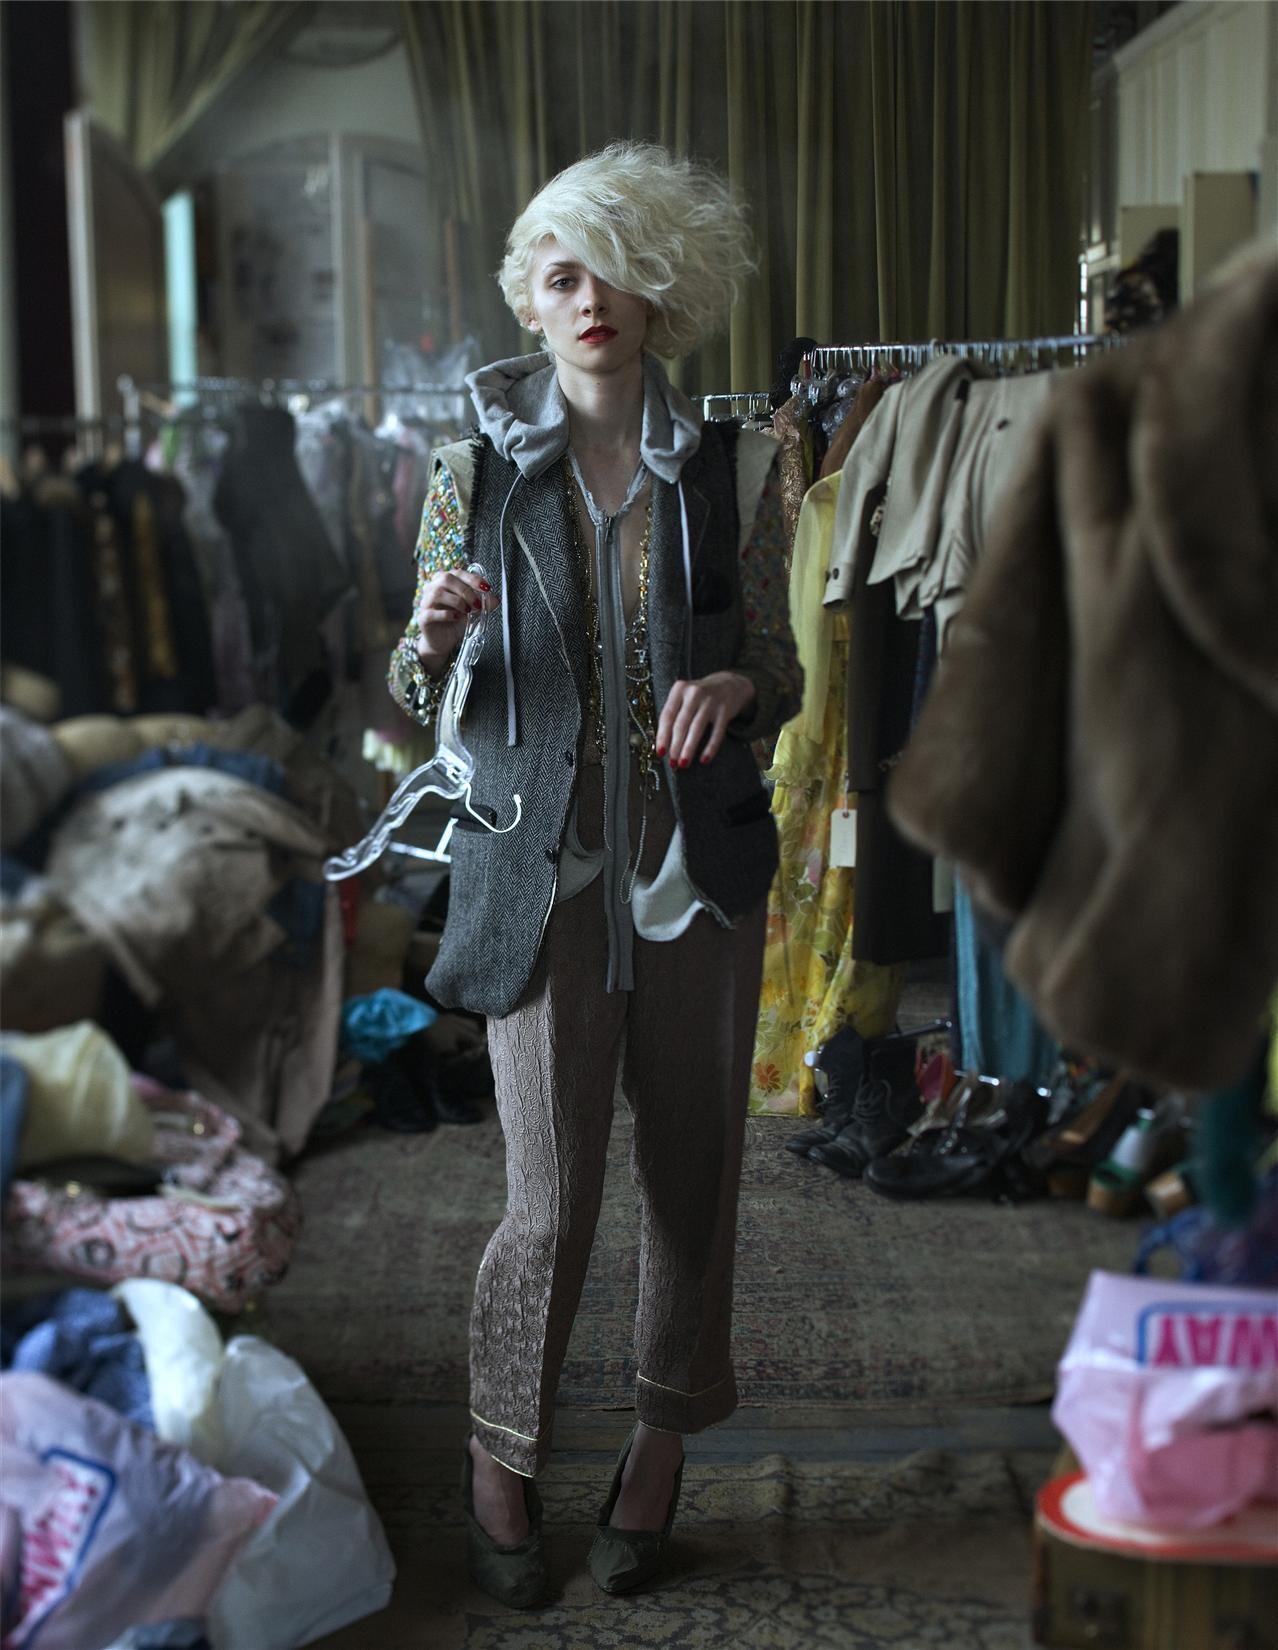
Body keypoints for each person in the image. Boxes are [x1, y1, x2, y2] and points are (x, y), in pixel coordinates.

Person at [387, 141, 802, 1607]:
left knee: (693, 1182)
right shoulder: (471, 474)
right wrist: (434, 639)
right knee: (548, 1202)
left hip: (693, 874)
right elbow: (415, 684)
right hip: (539, 875)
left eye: (617, 272)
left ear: (659, 290)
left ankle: (658, 1449)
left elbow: (780, 665)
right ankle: (499, 1454)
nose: (591, 299)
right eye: (563, 275)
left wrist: (736, 690)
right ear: (531, 298)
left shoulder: (740, 465)